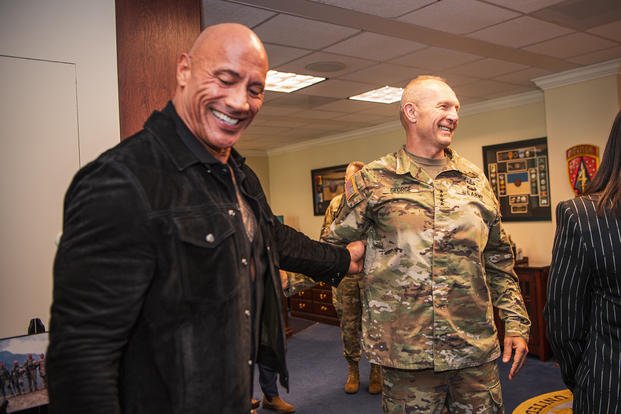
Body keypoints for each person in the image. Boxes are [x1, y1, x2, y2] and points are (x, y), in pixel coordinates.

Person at [46, 23, 364, 414]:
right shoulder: (122, 180)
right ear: (184, 71)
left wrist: (342, 259)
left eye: (255, 89)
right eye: (226, 80)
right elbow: (81, 358)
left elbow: (270, 237)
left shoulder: (237, 173)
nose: (240, 102)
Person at [323, 75, 531, 413]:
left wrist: (517, 323)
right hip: (407, 357)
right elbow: (331, 251)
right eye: (444, 106)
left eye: (457, 108)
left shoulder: (476, 182)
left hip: (473, 352)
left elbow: (498, 261)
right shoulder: (374, 181)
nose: (454, 115)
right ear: (411, 112)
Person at [544, 110, 621, 414]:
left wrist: (586, 376)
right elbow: (563, 319)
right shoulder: (583, 217)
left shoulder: (583, 215)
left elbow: (564, 324)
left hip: (607, 384)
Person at [319, 161, 382, 395]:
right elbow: (327, 239)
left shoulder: (375, 203)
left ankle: (376, 370)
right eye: (347, 179)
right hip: (346, 276)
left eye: (354, 179)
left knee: (374, 325)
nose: (350, 183)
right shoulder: (336, 205)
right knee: (349, 325)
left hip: (371, 276)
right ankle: (353, 369)